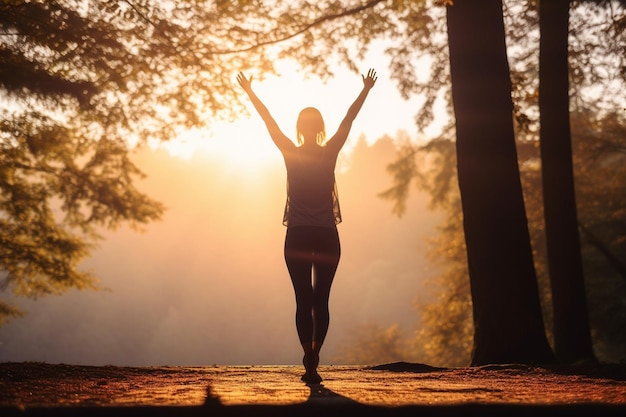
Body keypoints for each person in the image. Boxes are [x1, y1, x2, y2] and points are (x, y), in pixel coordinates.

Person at [237, 69, 377, 384]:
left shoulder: (290, 151)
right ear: (320, 129)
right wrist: (365, 90)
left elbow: (268, 121)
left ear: (299, 129)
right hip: (327, 235)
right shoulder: (329, 153)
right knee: (321, 299)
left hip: (298, 234)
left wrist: (250, 92)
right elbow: (348, 121)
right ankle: (315, 353)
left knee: (303, 298)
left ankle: (308, 357)